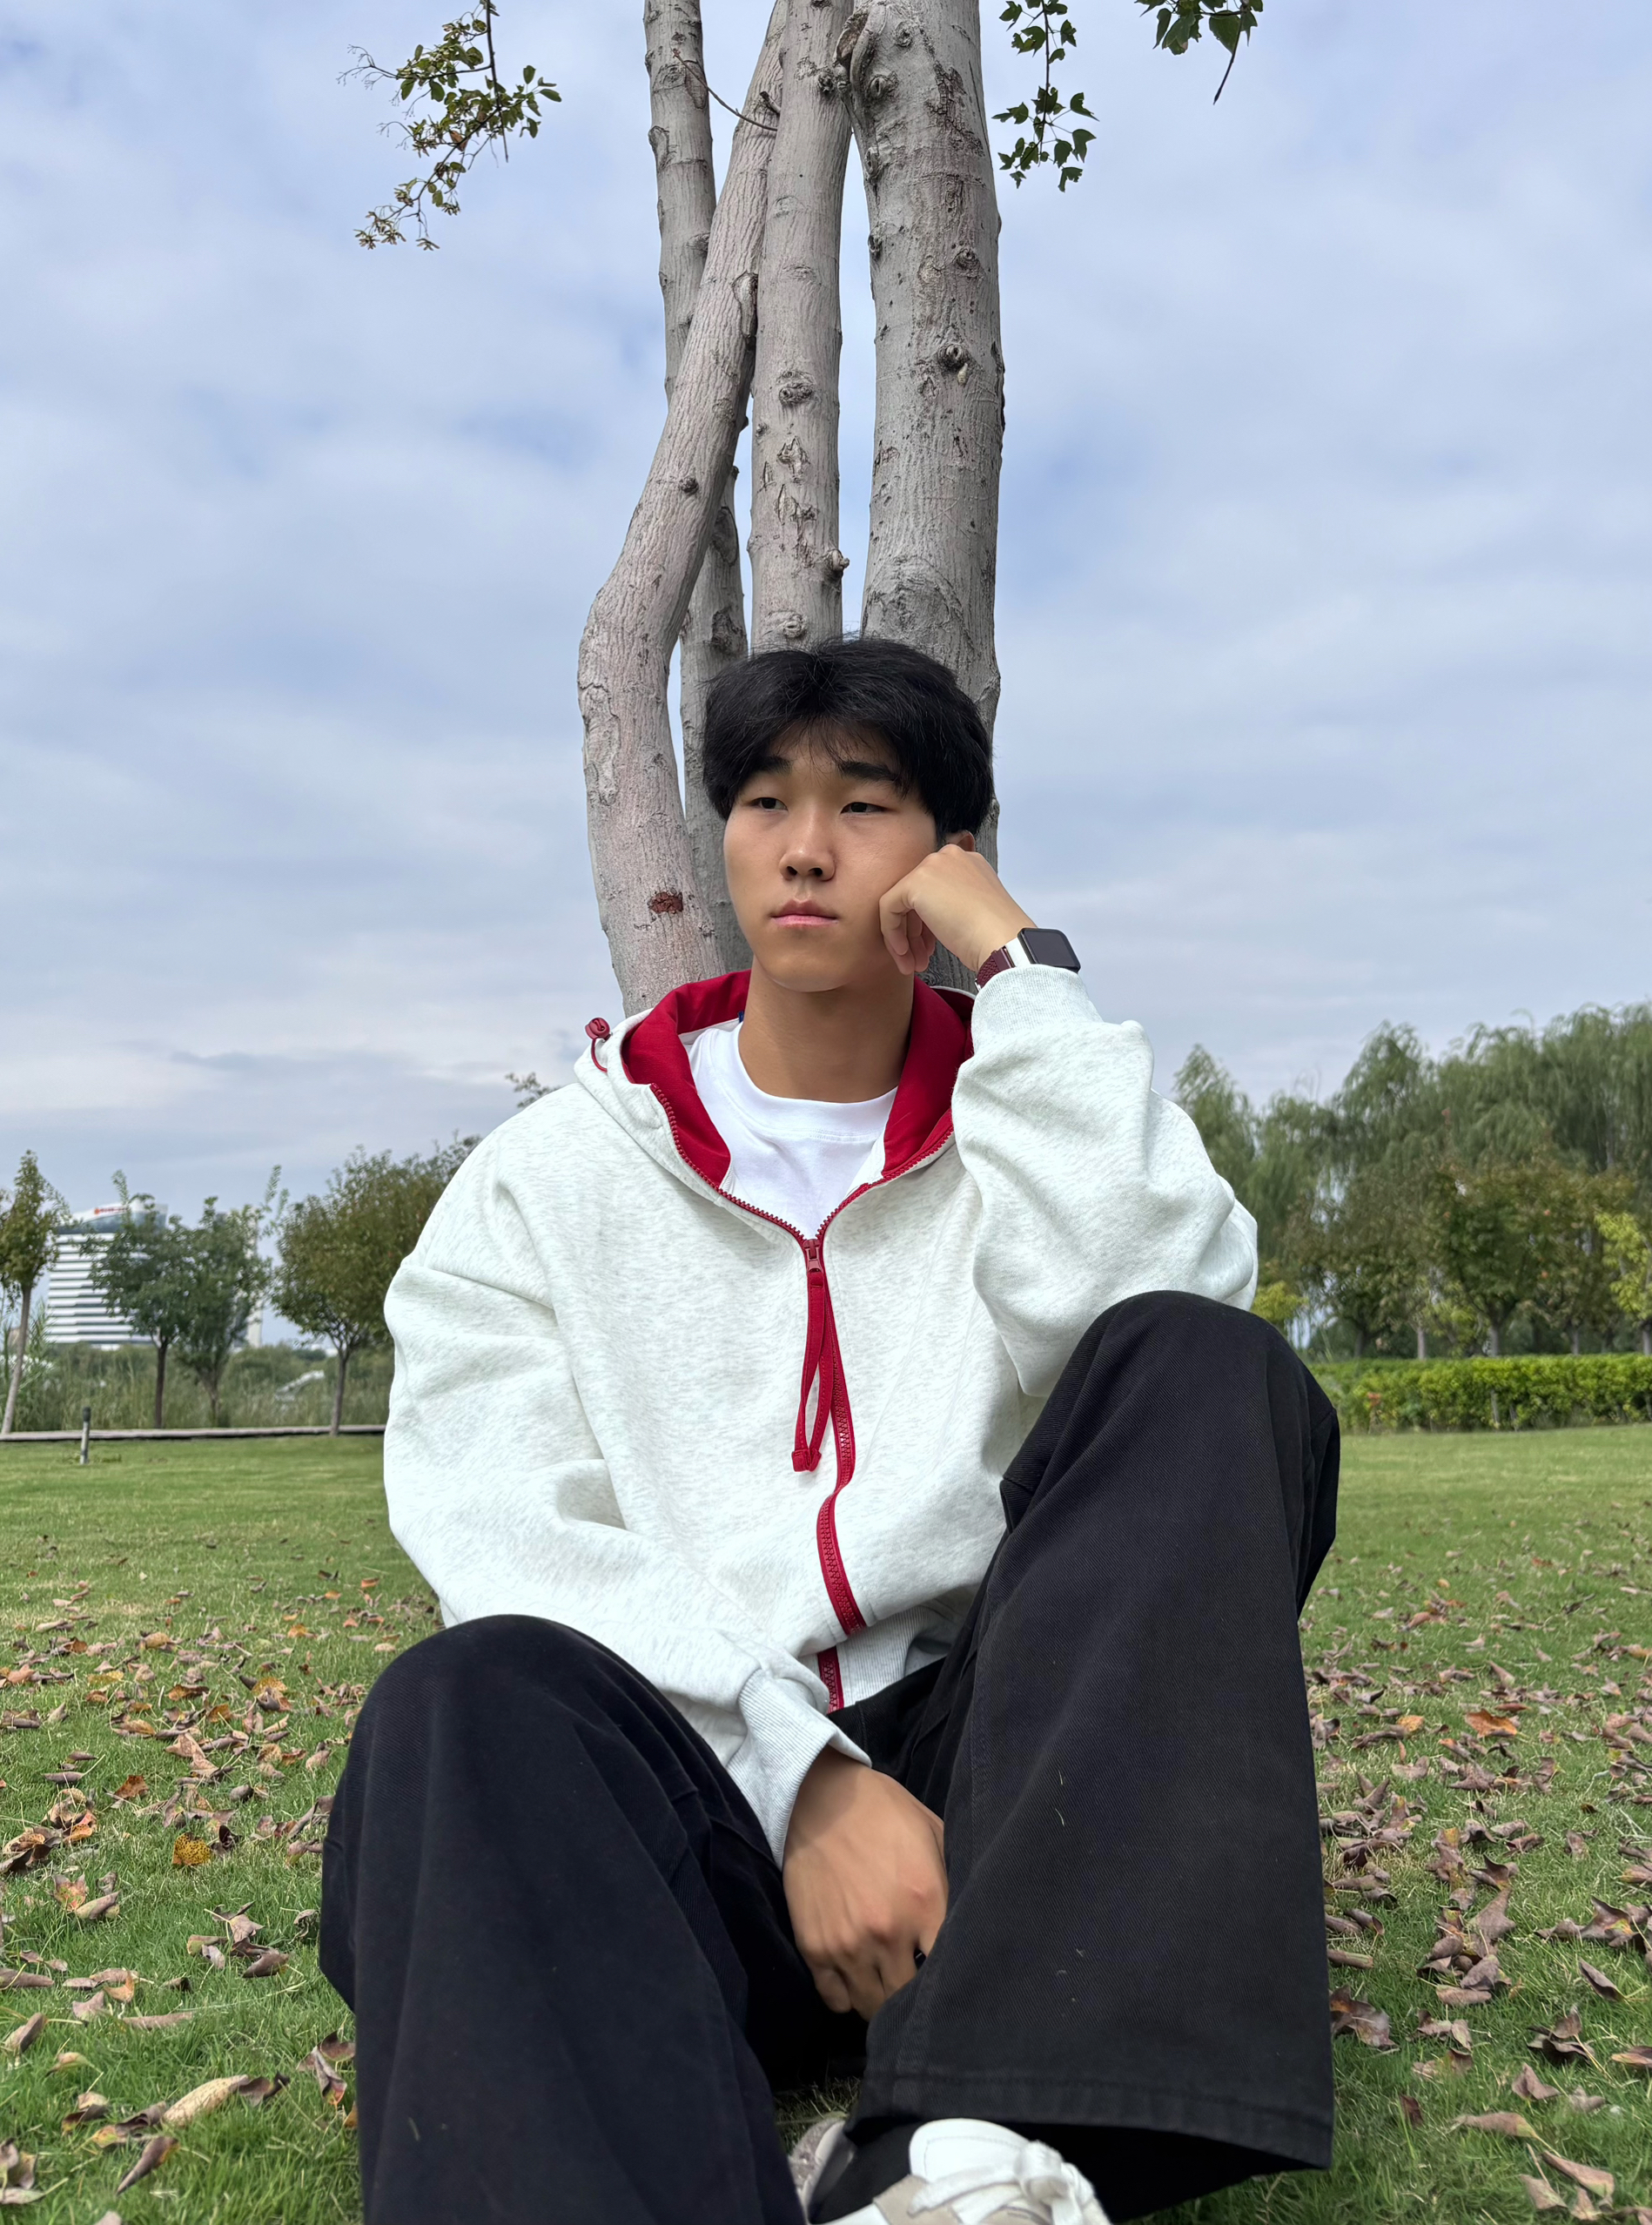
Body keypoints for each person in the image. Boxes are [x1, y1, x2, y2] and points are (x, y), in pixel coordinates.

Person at [320, 637, 1340, 2225]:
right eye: (763, 801)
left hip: (1002, 1813)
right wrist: (799, 1777)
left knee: (1205, 1363)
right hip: (695, 1790)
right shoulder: (547, 1178)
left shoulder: (1027, 1115)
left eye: (863, 805)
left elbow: (1173, 1337)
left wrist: (1024, 975)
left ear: (946, 855)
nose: (804, 847)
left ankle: (974, 2155)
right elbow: (500, 1515)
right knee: (461, 1697)